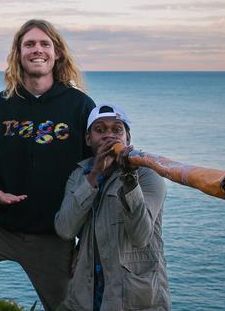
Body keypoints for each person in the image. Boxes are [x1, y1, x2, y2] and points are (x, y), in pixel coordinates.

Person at [0, 19, 95, 310]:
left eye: (44, 44)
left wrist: (85, 243)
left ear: (57, 54)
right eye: (29, 44)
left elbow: (93, 177)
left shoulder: (79, 106)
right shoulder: (0, 104)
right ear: (18, 53)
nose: (37, 50)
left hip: (52, 237)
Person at [54, 104, 170, 311]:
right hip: (85, 296)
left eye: (117, 129)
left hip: (133, 299)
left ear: (128, 138)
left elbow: (140, 236)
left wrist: (129, 180)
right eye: (100, 130)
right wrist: (93, 176)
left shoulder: (147, 174)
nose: (109, 135)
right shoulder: (78, 176)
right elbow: (65, 229)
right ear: (89, 139)